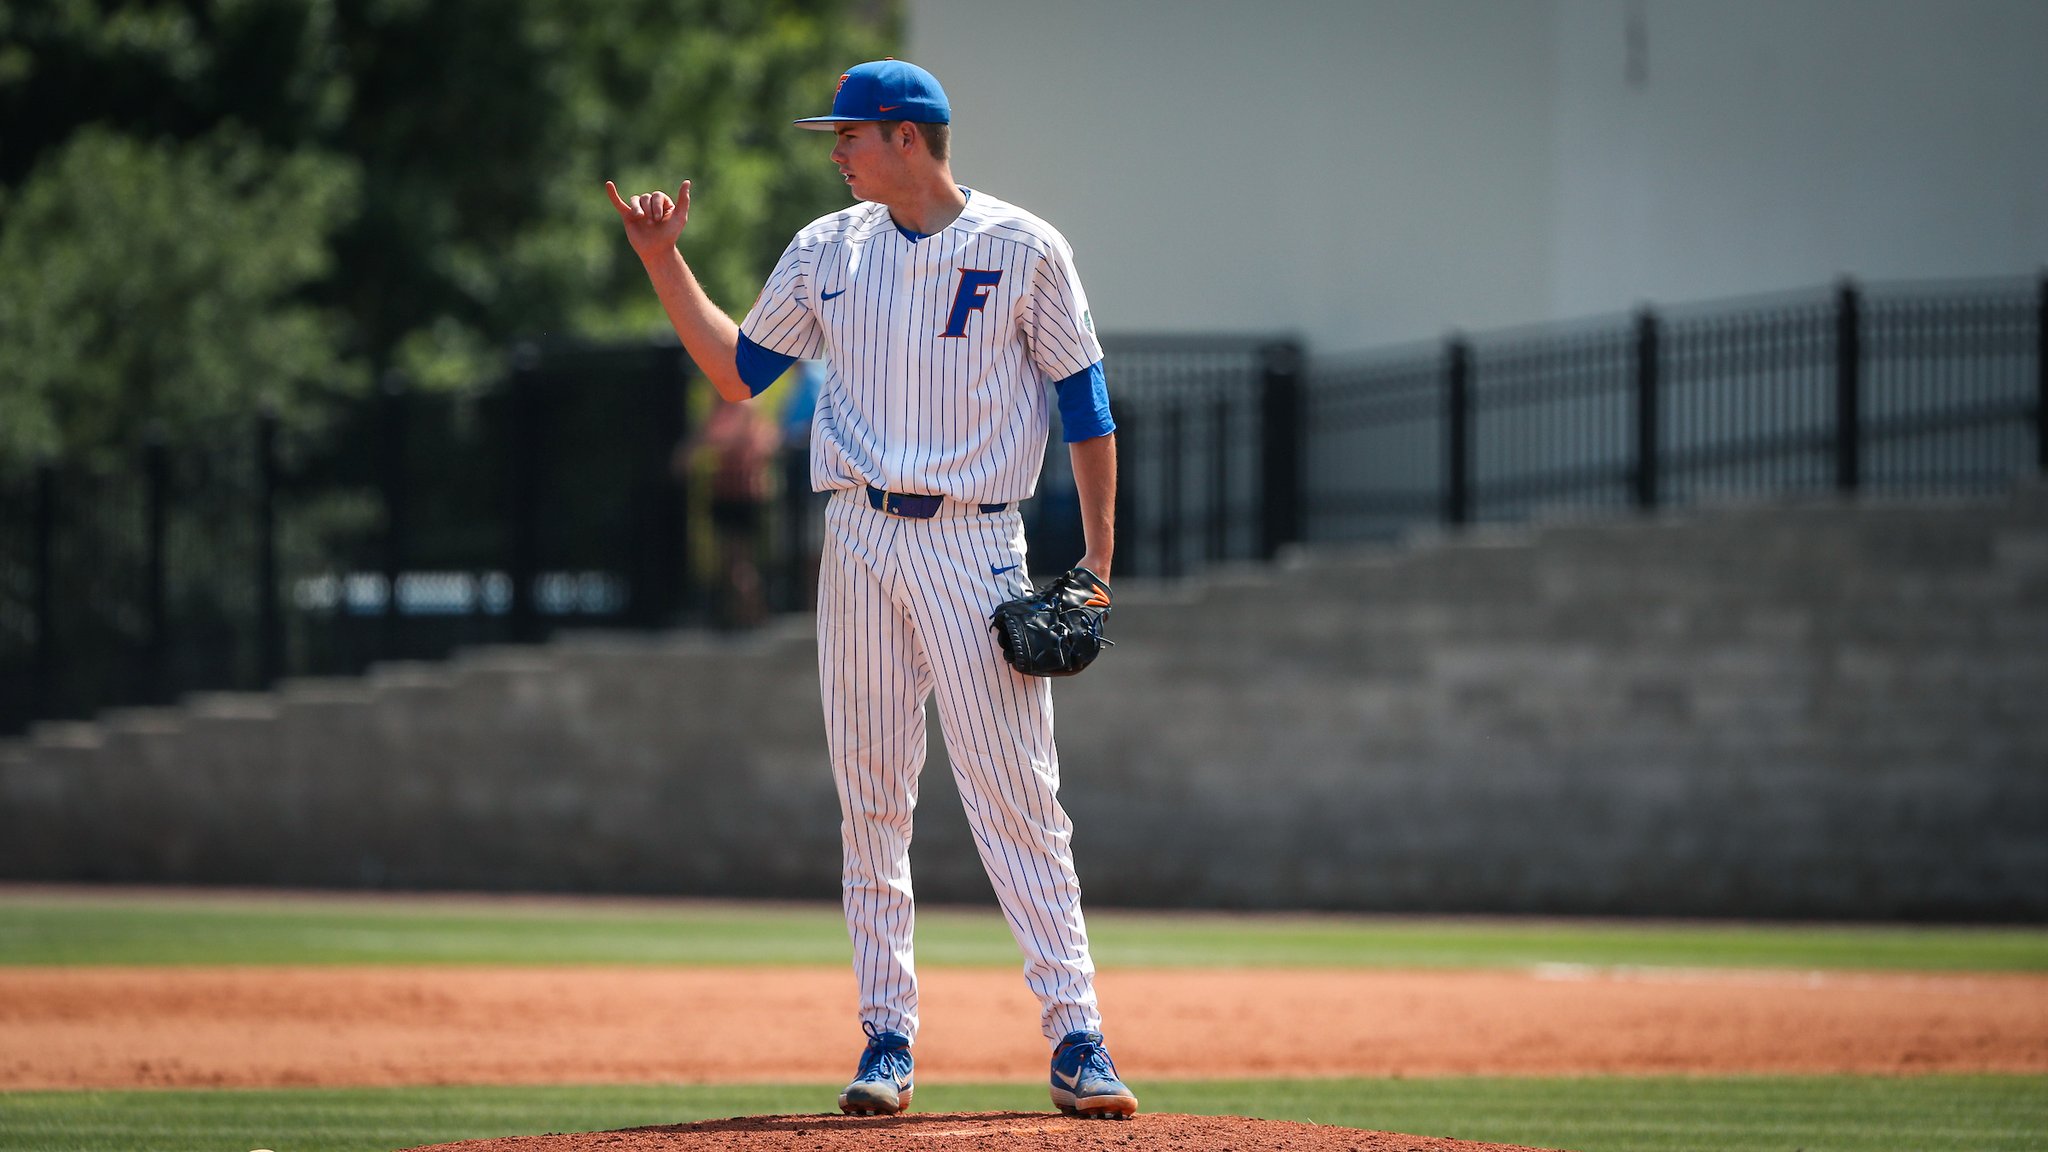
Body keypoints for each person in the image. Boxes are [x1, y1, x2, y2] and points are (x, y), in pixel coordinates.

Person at [606, 59, 1135, 1120]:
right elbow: (736, 374)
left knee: (1016, 797)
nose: (834, 149)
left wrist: (1096, 569)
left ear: (904, 135)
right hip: (855, 539)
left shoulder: (1024, 247)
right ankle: (886, 1037)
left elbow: (1084, 404)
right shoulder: (825, 248)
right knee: (871, 795)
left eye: (847, 132)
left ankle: (1075, 1037)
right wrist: (664, 264)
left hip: (973, 541)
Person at [674, 393, 779, 628]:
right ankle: (741, 616)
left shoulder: (743, 408)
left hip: (743, 495)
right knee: (731, 559)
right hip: (727, 493)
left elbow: (727, 438)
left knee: (739, 560)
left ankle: (752, 614)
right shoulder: (726, 405)